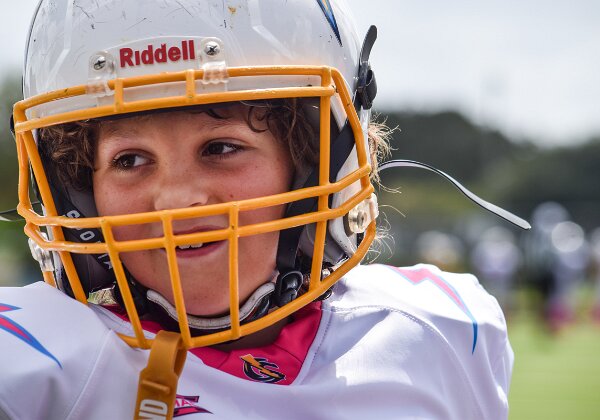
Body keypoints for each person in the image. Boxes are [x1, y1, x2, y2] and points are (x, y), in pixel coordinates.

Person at [1, 1, 521, 418]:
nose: (177, 197)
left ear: (314, 163)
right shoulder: (35, 361)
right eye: (130, 159)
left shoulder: (438, 334)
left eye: (221, 148)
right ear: (78, 189)